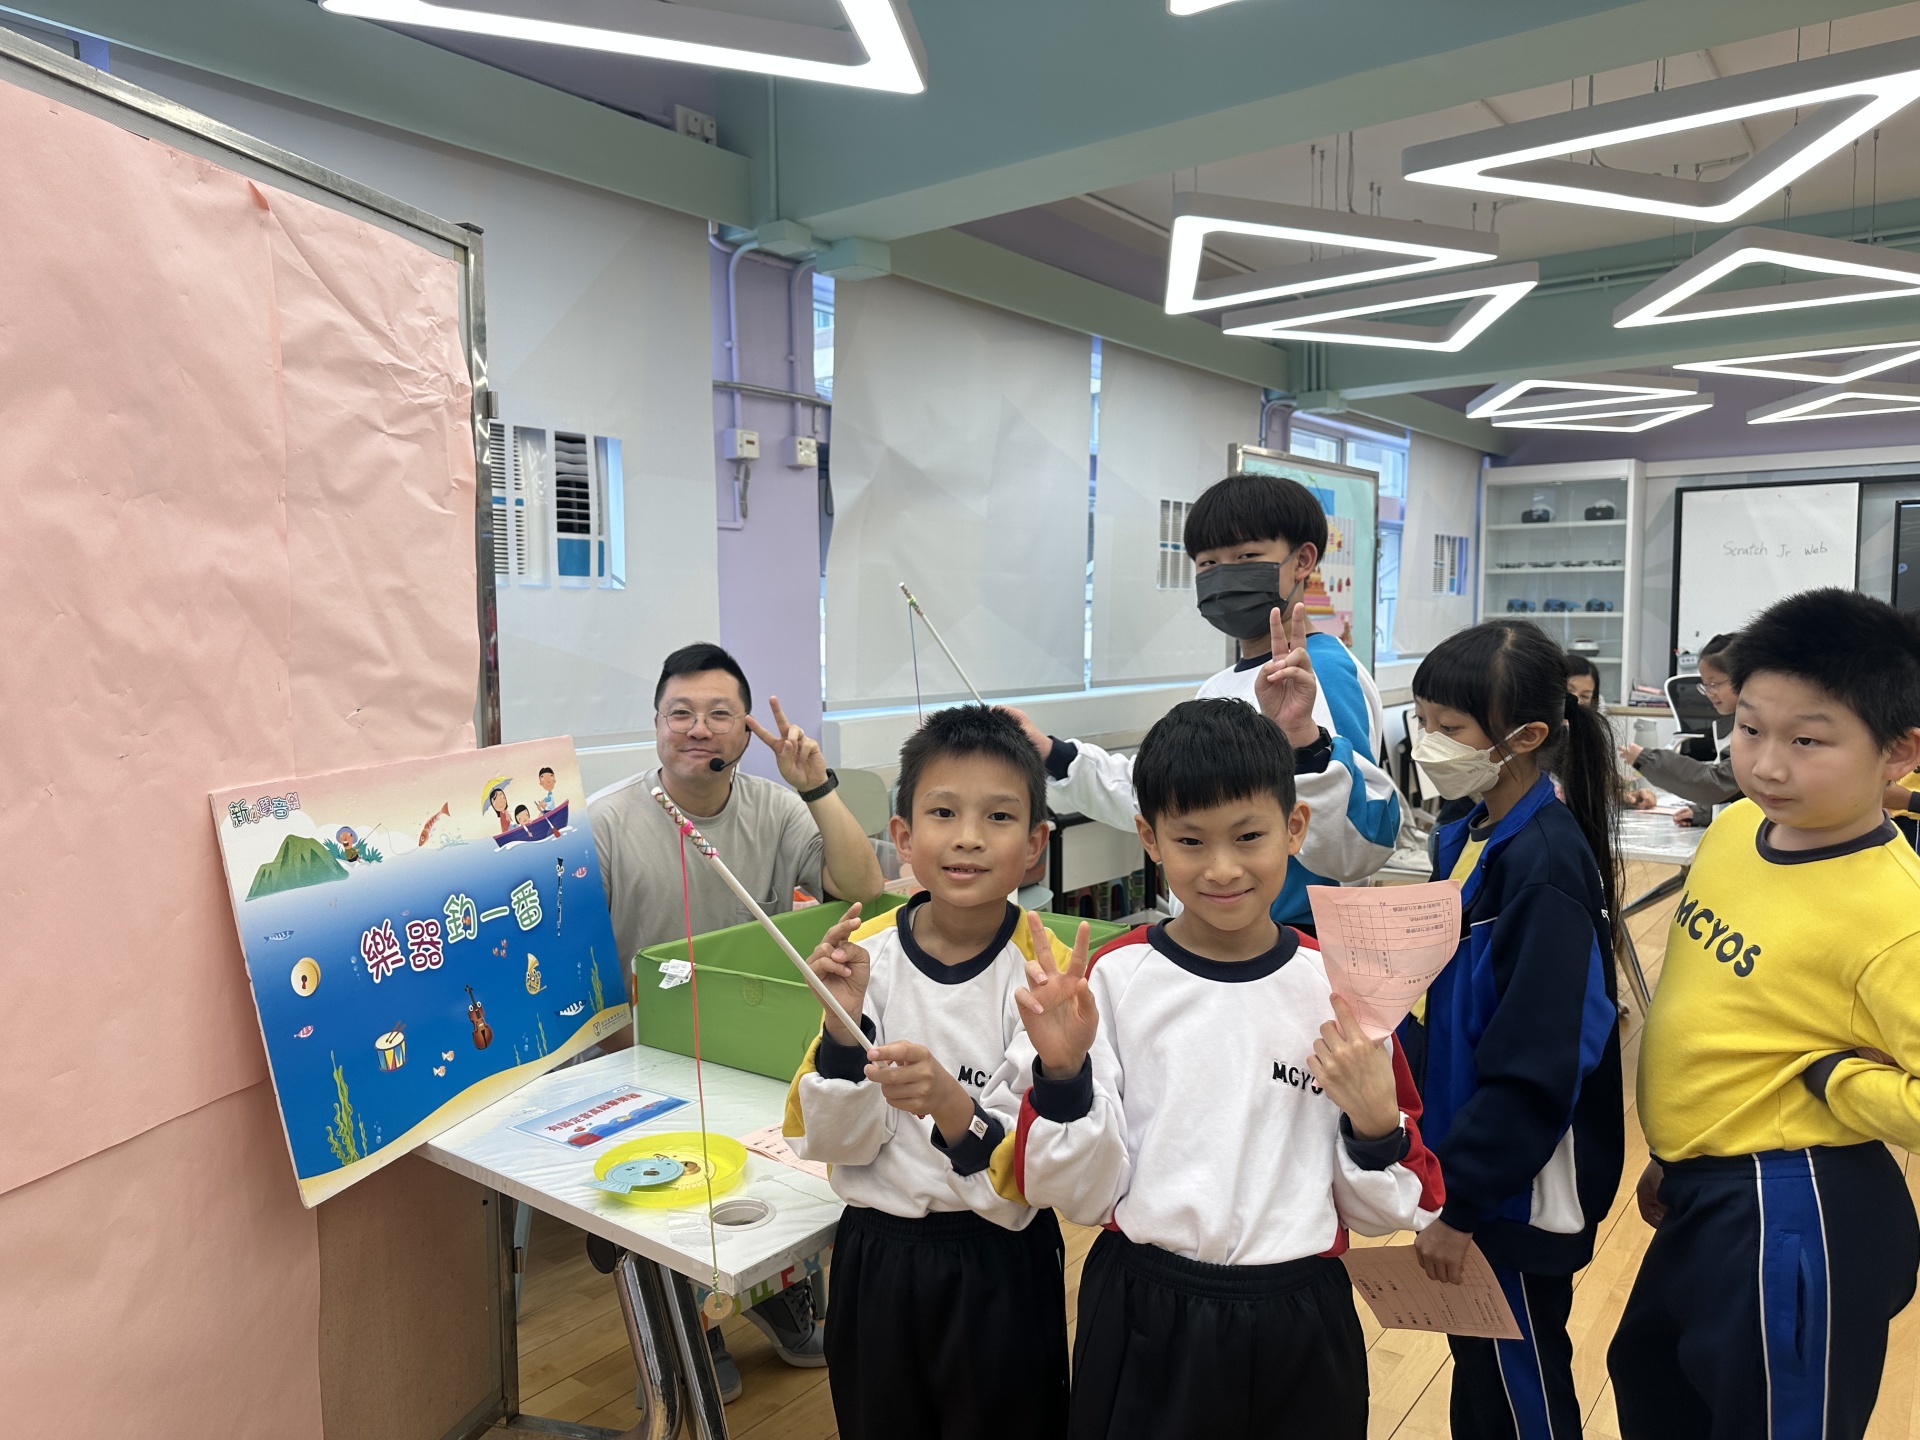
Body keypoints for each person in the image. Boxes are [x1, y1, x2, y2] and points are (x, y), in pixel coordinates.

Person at [1012, 698, 1443, 1439]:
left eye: (1249, 836)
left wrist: (1376, 1124)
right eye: (1190, 840)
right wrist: (1062, 1073)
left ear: (1295, 827)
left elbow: (1391, 1209)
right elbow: (1073, 1192)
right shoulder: (1113, 980)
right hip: (1146, 1311)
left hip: (1300, 1317)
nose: (1221, 868)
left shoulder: (1339, 987)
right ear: (1150, 838)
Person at [1607, 588, 1920, 1440]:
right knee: (1656, 1388)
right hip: (1706, 1185)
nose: (1767, 766)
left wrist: (1836, 1082)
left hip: (1797, 1205)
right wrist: (1679, 1152)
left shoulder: (1895, 918)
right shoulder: (1737, 828)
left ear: (1898, 753)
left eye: (1807, 741)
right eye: (1749, 728)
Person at [588, 641, 884, 1394]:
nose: (699, 729)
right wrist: (621, 1053)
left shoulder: (775, 809)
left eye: (719, 714)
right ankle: (693, 1326)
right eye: (680, 713)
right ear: (657, 724)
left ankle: (777, 1294)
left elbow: (862, 886)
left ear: (746, 728)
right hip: (642, 1051)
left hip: (752, 1040)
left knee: (797, 1151)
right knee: (678, 1173)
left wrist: (816, 788)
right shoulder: (607, 823)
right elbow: (577, 971)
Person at [784, 706, 1071, 1440]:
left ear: (1035, 844)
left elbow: (1034, 1174)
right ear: (904, 836)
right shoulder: (866, 955)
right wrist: (842, 1030)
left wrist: (949, 1102)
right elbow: (830, 1143)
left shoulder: (1048, 972)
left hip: (1000, 1264)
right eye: (943, 812)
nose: (968, 836)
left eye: (998, 816)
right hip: (877, 1256)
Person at [1405, 619, 1624, 1440]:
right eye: (1422, 721)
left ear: (1525, 737)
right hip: (1466, 1162)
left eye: (1450, 728)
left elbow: (1539, 1060)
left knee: (1520, 1385)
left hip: (1512, 1194)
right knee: (1481, 1384)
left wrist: (1463, 1203)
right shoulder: (1471, 831)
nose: (1429, 742)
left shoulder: (1544, 863)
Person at [1009, 473, 1400, 929]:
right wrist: (1052, 754)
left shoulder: (1318, 675)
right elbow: (1172, 797)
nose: (1224, 575)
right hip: (1215, 936)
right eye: (1208, 563)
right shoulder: (1221, 684)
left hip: (1286, 939)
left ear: (1302, 560)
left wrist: (1304, 746)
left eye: (1247, 557)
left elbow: (1357, 842)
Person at [1619, 632, 1742, 827]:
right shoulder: (1735, 725)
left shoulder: (1757, 730)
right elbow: (1738, 792)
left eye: (1714, 684)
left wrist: (1647, 760)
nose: (1709, 693)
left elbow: (1716, 783)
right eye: (1705, 686)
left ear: (1743, 679)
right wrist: (1703, 813)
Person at [1566, 651, 1656, 810]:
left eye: (1585, 696)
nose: (1575, 701)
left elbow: (1597, 785)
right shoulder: (1537, 734)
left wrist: (1630, 796)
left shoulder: (1589, 737)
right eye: (1568, 691)